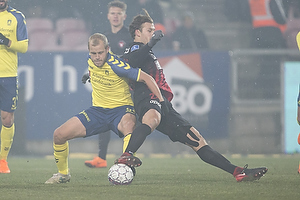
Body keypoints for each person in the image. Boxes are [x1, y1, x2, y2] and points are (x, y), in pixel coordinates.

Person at [114, 9, 268, 182]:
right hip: (147, 96)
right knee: (151, 120)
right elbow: (132, 61)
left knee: (197, 140)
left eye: (153, 30)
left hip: (164, 104)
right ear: (137, 32)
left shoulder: (143, 50)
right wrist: (150, 45)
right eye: (149, 30)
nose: (152, 33)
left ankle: (237, 172)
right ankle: (127, 154)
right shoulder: (134, 47)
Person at [45, 33, 166, 184]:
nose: (97, 57)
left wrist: (162, 101)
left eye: (100, 53)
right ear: (89, 52)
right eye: (93, 53)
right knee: (59, 135)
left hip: (121, 110)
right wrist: (89, 75)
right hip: (98, 112)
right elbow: (98, 71)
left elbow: (147, 78)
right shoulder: (91, 61)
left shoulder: (117, 64)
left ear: (107, 49)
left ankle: (126, 165)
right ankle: (63, 175)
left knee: (129, 125)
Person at [84, 1, 133, 169]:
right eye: (112, 13)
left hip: (125, 86)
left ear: (124, 16)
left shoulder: (129, 36)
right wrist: (89, 74)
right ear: (108, 16)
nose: (115, 16)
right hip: (108, 87)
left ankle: (127, 156)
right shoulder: (103, 37)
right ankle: (101, 158)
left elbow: (131, 61)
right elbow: (99, 63)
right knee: (105, 119)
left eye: (118, 13)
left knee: (130, 123)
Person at [0, 0, 28, 173]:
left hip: (8, 76)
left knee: (7, 119)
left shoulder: (17, 17)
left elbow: (24, 46)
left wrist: (6, 41)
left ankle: (2, 161)